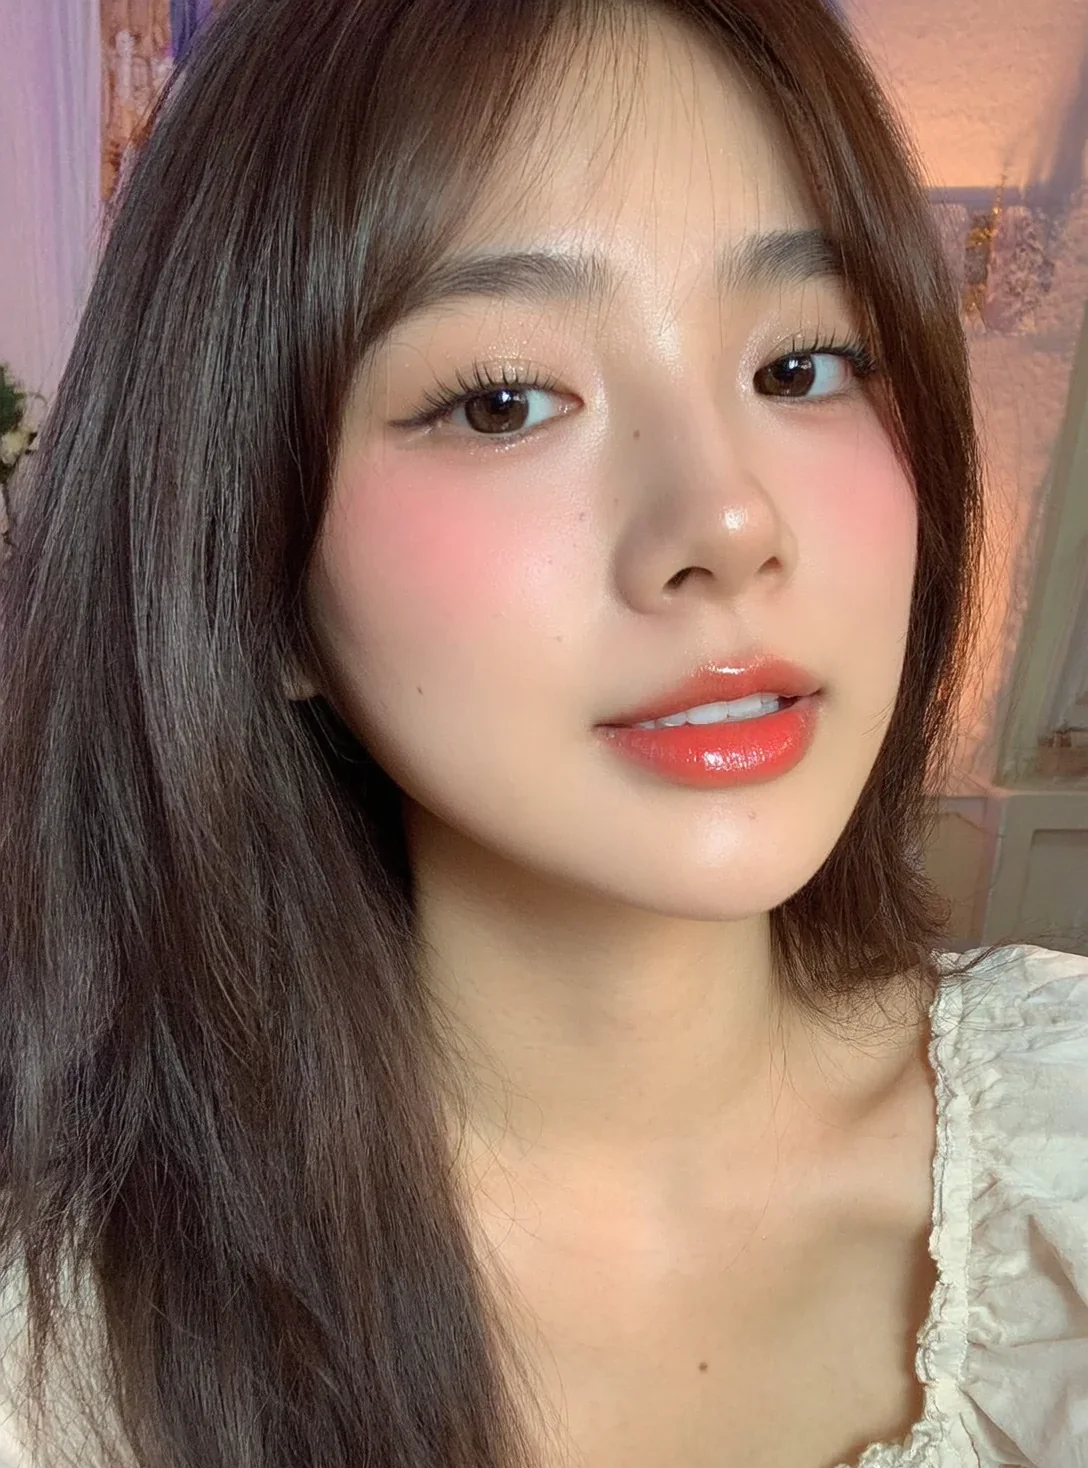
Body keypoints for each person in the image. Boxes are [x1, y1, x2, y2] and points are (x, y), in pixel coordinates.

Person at [0, 1, 1085, 1465]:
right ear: (256, 576)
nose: (727, 520)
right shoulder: (58, 1366)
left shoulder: (1061, 1146)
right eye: (504, 402)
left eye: (802, 367)